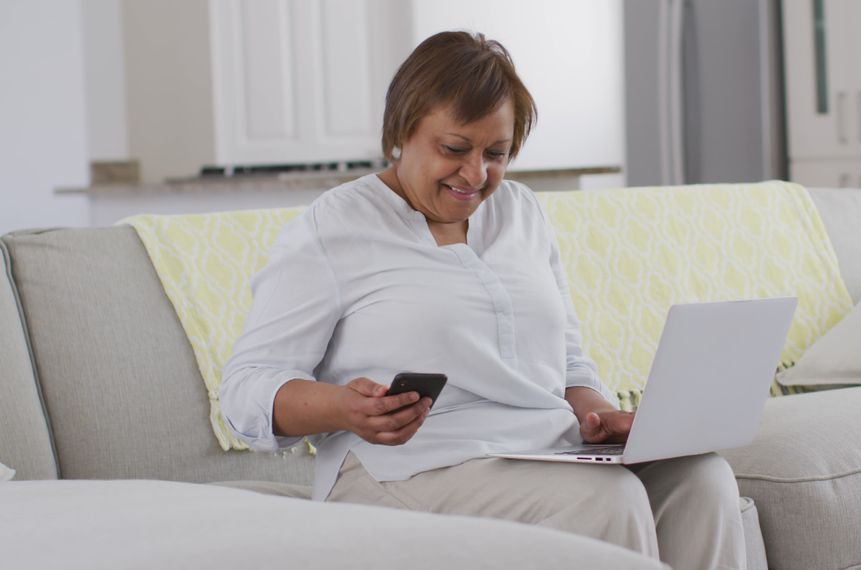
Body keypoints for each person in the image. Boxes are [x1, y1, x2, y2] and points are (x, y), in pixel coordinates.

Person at [219, 30, 746, 570]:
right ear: (402, 131)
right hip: (404, 467)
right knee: (605, 499)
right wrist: (344, 408)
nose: (475, 175)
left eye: (496, 154)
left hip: (546, 451)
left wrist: (599, 415)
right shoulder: (335, 227)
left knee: (699, 479)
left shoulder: (522, 213)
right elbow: (244, 393)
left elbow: (566, 360)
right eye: (454, 149)